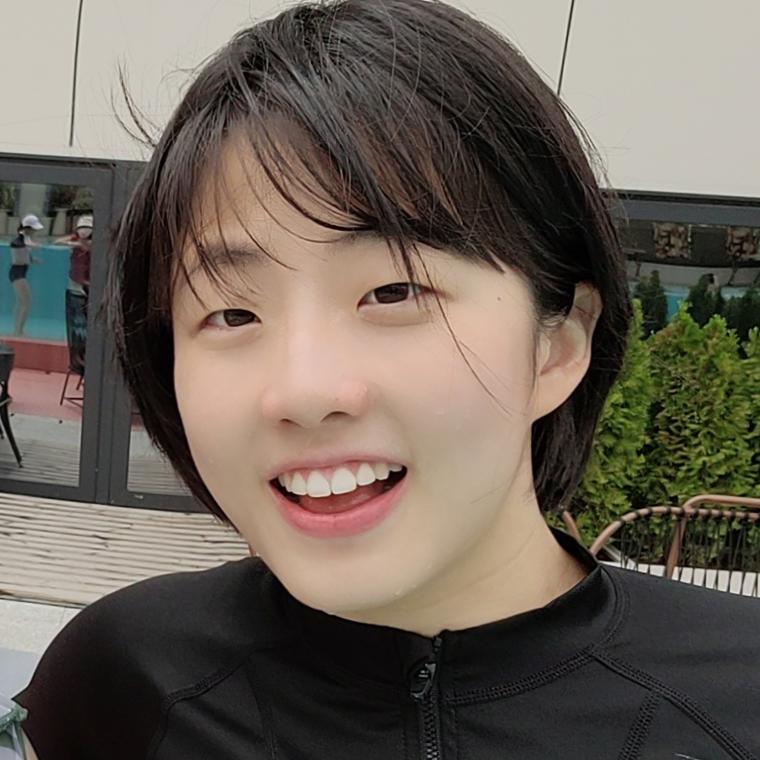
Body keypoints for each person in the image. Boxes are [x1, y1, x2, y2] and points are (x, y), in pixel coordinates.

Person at [13, 1, 760, 758]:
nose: (303, 392)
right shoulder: (119, 684)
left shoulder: (736, 697)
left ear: (559, 343)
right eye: (232, 315)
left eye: (395, 291)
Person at [8, 214, 43, 336]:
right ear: (28, 228)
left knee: (21, 302)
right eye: (33, 229)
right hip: (17, 274)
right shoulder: (19, 240)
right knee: (26, 302)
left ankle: (17, 329)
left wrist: (33, 260)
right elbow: (18, 258)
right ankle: (18, 331)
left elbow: (24, 254)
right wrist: (33, 249)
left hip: (19, 273)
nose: (35, 232)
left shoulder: (25, 240)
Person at [54, 215, 93, 296]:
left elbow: (89, 247)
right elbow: (57, 242)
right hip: (76, 278)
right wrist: (75, 244)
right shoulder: (75, 238)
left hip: (88, 278)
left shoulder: (96, 241)